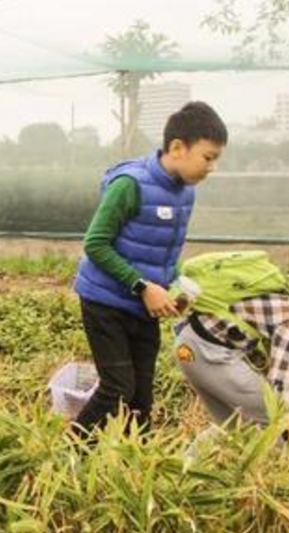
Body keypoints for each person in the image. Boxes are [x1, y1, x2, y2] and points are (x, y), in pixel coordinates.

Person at [71, 101, 228, 436]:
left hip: (145, 307)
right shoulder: (130, 185)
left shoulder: (185, 193)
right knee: (117, 390)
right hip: (105, 303)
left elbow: (162, 251)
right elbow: (95, 244)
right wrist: (143, 286)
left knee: (141, 397)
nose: (212, 167)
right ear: (177, 147)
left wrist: (177, 284)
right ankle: (64, 457)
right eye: (208, 157)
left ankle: (135, 466)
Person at [175, 290, 289, 432]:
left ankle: (180, 465)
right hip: (208, 351)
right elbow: (282, 381)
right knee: (271, 420)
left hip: (191, 345)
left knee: (232, 428)